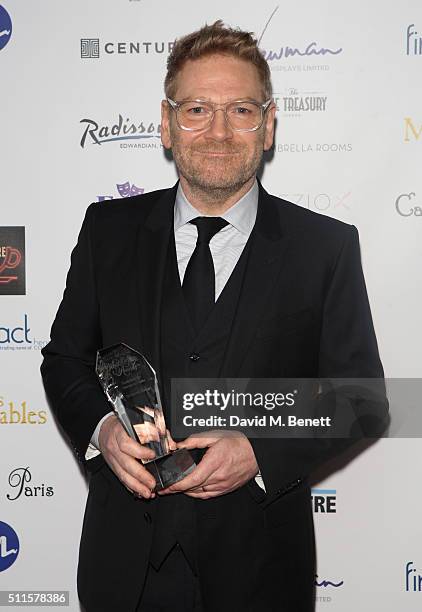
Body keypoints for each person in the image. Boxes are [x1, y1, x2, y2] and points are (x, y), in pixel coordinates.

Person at [41, 21, 386, 612]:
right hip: (124, 568)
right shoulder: (107, 232)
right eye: (197, 108)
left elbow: (363, 398)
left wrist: (260, 448)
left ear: (270, 123)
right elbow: (66, 360)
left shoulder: (325, 246)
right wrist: (102, 430)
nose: (219, 132)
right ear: (167, 123)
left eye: (242, 109)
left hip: (262, 571)